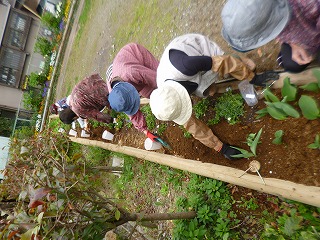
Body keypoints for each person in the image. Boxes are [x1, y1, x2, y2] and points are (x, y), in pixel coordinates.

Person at [149, 33, 278, 160]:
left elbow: (222, 62)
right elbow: (193, 126)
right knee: (208, 92)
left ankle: (239, 59)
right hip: (187, 77)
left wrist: (253, 77)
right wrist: (221, 148)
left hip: (197, 52)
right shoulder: (166, 102)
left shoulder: (187, 66)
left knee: (228, 66)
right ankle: (210, 82)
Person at [221, 0, 320, 73]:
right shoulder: (266, 9)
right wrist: (293, 43)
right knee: (291, 65)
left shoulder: (310, 4)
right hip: (300, 38)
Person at [106, 43, 160, 140]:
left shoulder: (131, 72)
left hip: (135, 54)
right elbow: (132, 114)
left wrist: (169, 88)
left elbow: (155, 78)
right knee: (149, 93)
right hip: (117, 70)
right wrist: (145, 131)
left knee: (159, 72)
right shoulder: (118, 98)